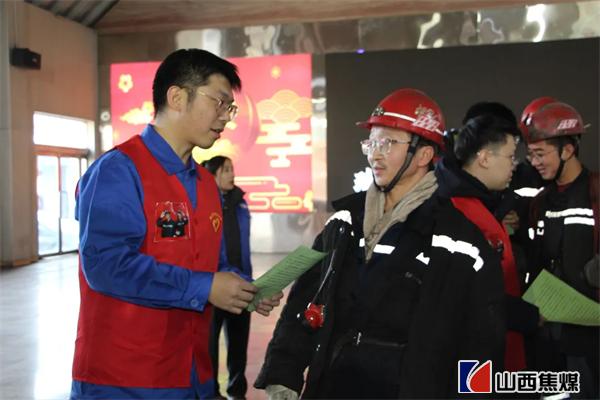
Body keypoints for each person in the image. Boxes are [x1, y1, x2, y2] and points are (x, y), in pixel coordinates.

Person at [255, 88, 506, 399]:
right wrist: (283, 373)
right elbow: (304, 302)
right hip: (334, 387)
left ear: (424, 155)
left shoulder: (458, 242)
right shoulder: (344, 222)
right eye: (371, 143)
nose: (375, 154)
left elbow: (481, 343)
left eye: (387, 143)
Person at [70, 49, 282, 399]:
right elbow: (106, 266)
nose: (226, 118)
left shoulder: (205, 184)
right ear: (177, 97)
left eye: (230, 108)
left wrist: (244, 289)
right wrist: (205, 287)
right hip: (123, 380)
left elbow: (211, 266)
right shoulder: (119, 170)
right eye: (219, 102)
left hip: (192, 376)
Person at [435, 113, 540, 373]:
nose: (514, 165)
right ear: (484, 158)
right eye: (510, 156)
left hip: (493, 346)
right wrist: (523, 315)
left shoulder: (482, 205)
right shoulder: (459, 212)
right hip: (473, 357)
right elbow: (465, 294)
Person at [522, 99, 599, 399]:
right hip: (548, 335)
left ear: (568, 150)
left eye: (541, 154)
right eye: (530, 154)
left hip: (589, 337)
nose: (534, 162)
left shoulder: (595, 193)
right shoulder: (540, 202)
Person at [202, 156, 252, 400]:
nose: (232, 174)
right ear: (212, 175)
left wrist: (248, 279)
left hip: (243, 282)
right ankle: (211, 392)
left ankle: (237, 391)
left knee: (239, 344)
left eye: (232, 169)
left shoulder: (240, 203)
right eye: (226, 170)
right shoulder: (204, 204)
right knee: (209, 345)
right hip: (215, 285)